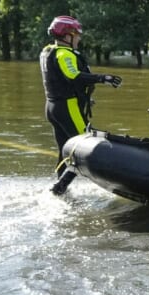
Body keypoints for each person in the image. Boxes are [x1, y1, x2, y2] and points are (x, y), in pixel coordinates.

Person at [40, 15, 122, 195]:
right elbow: (73, 76)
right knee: (82, 148)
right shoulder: (63, 54)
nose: (79, 38)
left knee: (64, 150)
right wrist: (103, 78)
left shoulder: (48, 51)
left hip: (53, 107)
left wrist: (85, 98)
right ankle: (60, 188)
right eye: (76, 34)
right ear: (66, 36)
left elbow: (59, 81)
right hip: (67, 107)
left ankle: (60, 190)